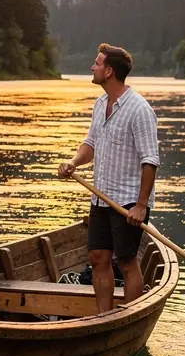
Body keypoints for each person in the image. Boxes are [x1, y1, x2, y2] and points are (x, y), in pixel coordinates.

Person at [58, 43, 159, 313]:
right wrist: (73, 162)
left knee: (126, 261)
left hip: (127, 201)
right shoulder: (101, 103)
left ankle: (130, 316)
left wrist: (140, 205)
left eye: (97, 63)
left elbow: (150, 160)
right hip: (101, 198)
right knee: (98, 258)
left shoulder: (139, 109)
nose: (92, 67)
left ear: (110, 71)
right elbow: (90, 144)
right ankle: (103, 317)